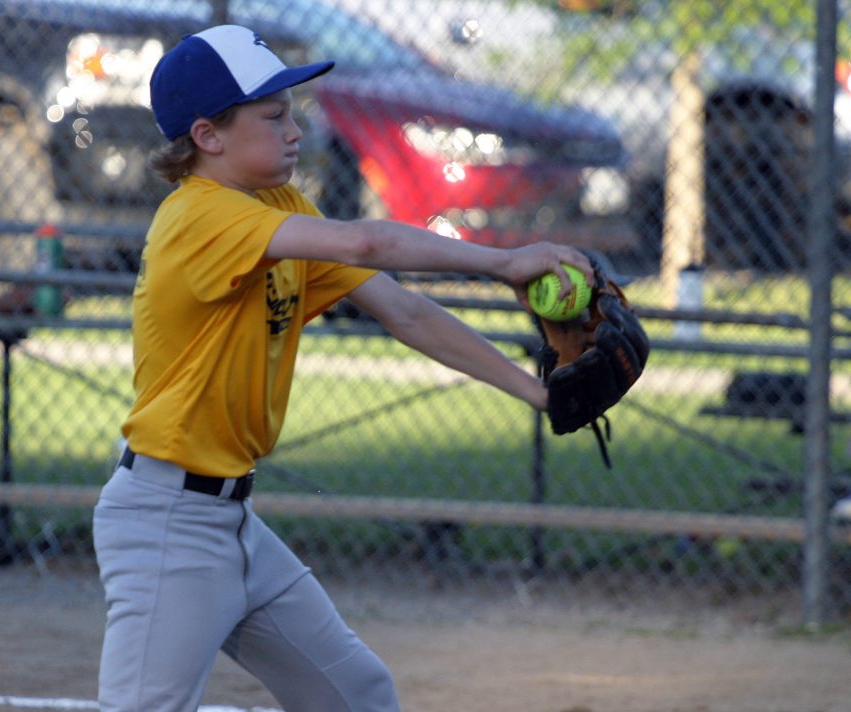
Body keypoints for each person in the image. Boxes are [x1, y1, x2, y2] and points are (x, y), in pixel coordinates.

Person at [92, 24, 594, 712]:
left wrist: (540, 394)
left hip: (232, 522)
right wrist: (504, 262)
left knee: (355, 694)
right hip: (166, 526)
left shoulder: (281, 209)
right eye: (272, 116)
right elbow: (367, 237)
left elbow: (403, 311)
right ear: (208, 136)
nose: (295, 129)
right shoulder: (197, 216)